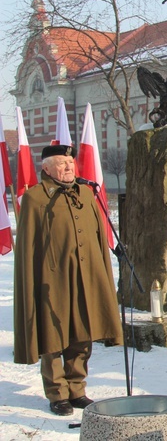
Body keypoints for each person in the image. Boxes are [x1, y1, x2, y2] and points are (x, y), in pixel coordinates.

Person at [13, 144, 123, 416]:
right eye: (61, 163)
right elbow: (28, 248)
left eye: (70, 162)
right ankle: (57, 393)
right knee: (53, 337)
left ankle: (77, 388)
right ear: (46, 168)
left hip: (86, 277)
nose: (68, 167)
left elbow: (98, 239)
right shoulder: (36, 199)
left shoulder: (86, 195)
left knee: (82, 334)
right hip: (52, 280)